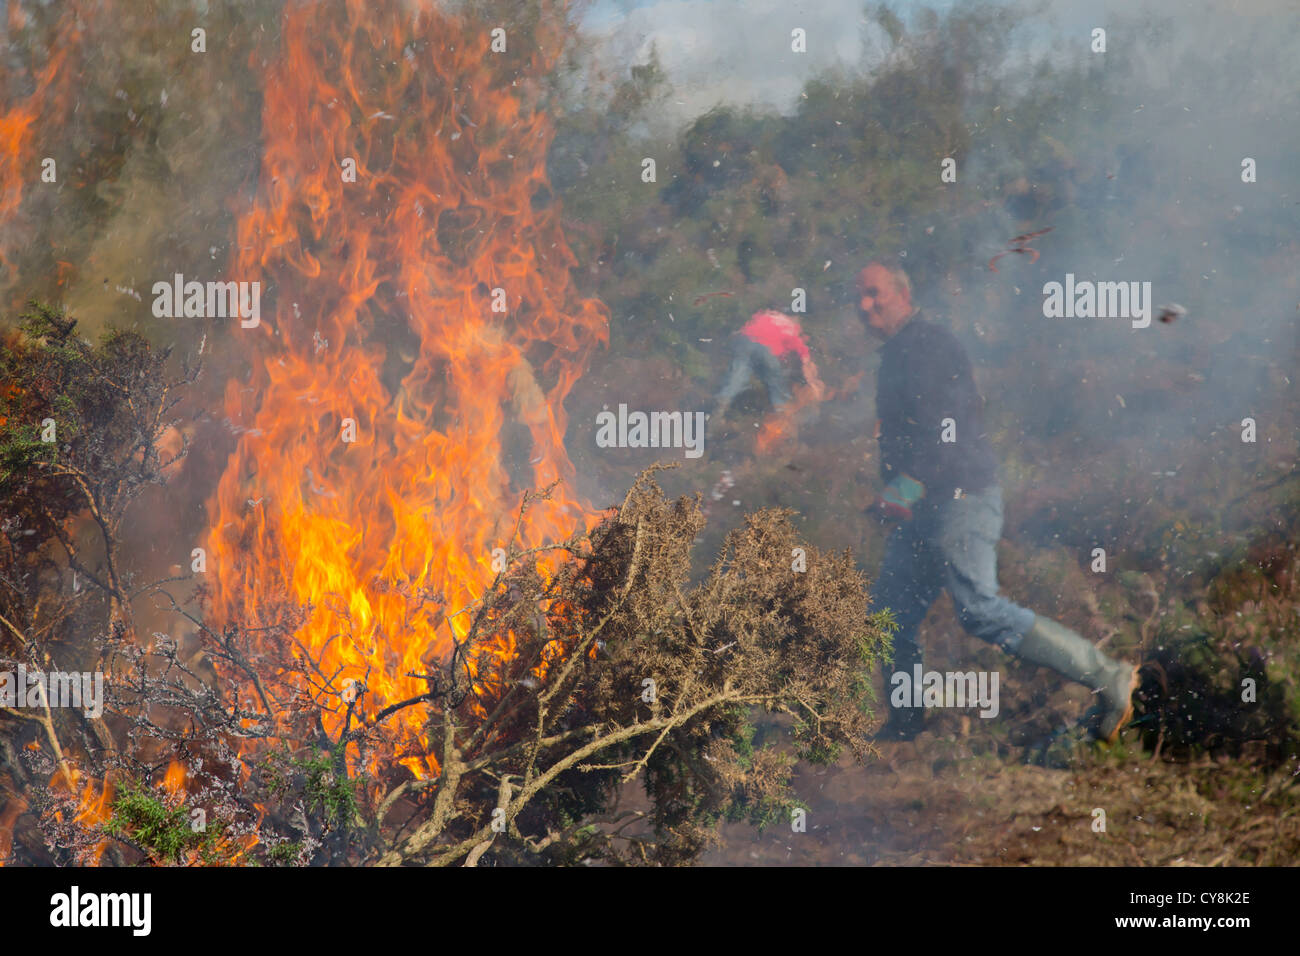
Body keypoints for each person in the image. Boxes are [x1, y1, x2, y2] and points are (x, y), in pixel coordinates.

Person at [857, 260, 1138, 742]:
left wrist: (900, 491)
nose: (864, 307)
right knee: (889, 613)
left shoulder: (923, 346)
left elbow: (943, 434)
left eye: (873, 294)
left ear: (903, 295)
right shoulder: (903, 350)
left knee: (979, 610)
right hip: (930, 506)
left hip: (958, 500)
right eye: (858, 298)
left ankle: (1107, 674)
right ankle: (905, 728)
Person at [712, 309, 823, 422]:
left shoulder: (768, 314)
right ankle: (781, 415)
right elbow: (804, 360)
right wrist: (812, 382)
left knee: (737, 378)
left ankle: (719, 409)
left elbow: (741, 331)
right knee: (776, 382)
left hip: (745, 340)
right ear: (795, 318)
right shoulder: (791, 328)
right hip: (766, 348)